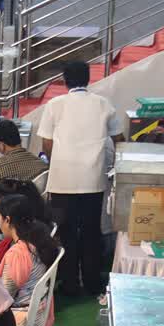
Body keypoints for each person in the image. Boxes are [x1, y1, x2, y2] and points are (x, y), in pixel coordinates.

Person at [37, 60, 124, 297]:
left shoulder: (55, 105)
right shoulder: (103, 104)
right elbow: (120, 139)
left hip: (62, 181)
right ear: (88, 79)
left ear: (65, 80)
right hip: (93, 181)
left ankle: (70, 284)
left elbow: (47, 143)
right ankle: (93, 282)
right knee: (91, 232)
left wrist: (58, 161)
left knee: (65, 234)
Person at [0, 193, 61, 326]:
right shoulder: (39, 241)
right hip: (39, 314)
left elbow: (3, 297)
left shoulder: (18, 253)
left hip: (24, 320)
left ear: (8, 220)